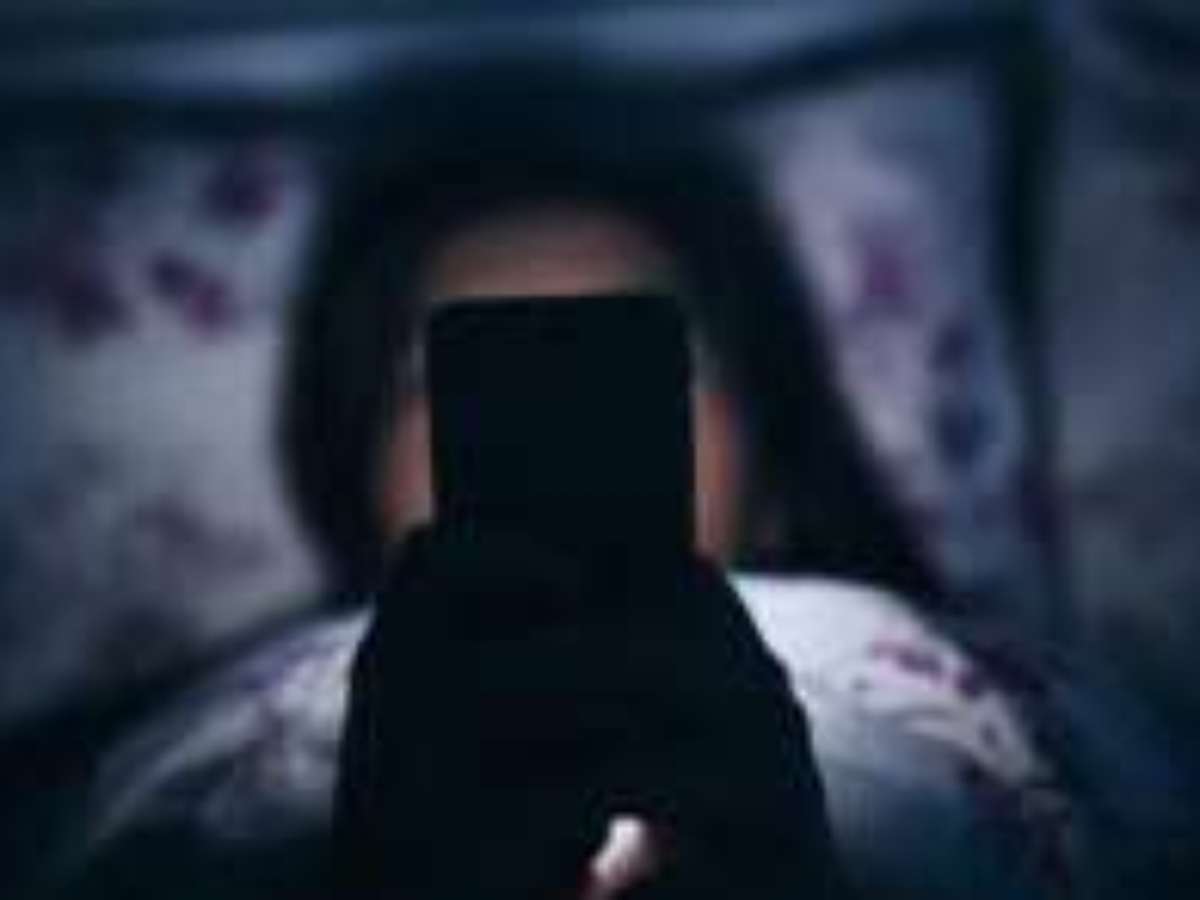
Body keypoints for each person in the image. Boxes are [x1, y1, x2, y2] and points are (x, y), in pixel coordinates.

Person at [52, 70, 1074, 899]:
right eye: (454, 381)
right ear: (350, 474)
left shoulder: (991, 694)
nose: (559, 419)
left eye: (631, 371)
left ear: (773, 463)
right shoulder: (195, 751)